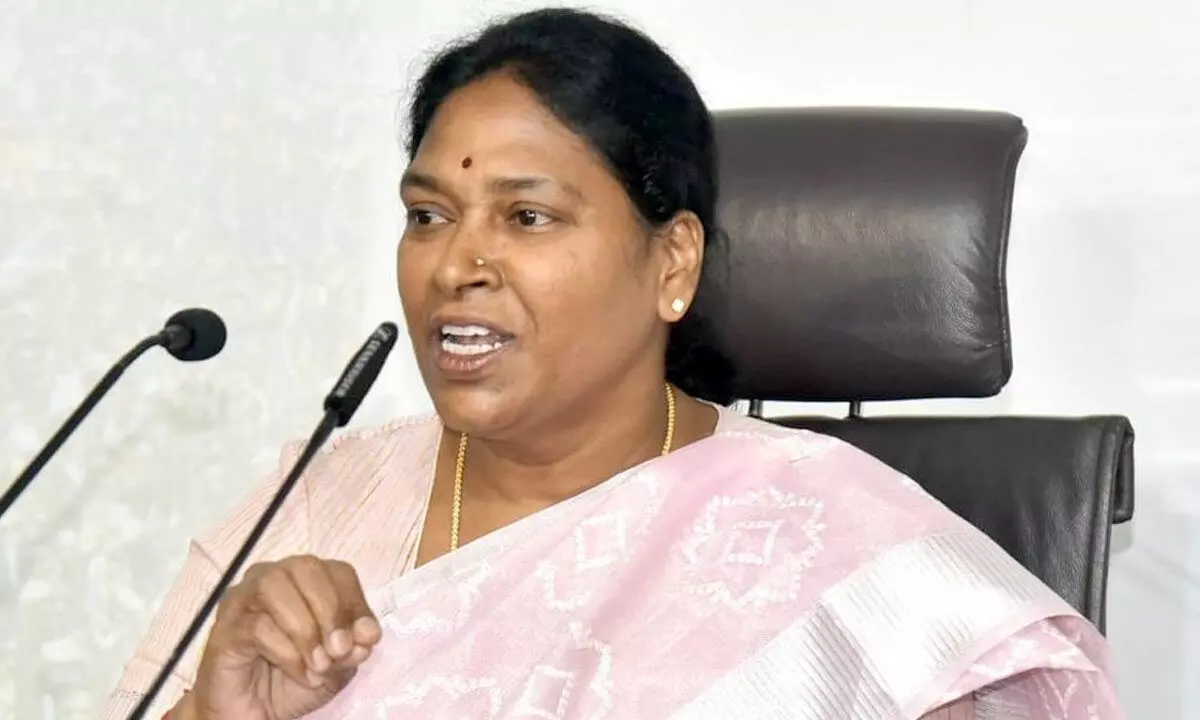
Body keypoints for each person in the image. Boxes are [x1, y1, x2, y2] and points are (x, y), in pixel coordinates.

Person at [104, 8, 1123, 719]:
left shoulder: (843, 557)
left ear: (671, 261)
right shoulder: (322, 501)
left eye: (527, 216)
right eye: (428, 216)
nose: (458, 264)